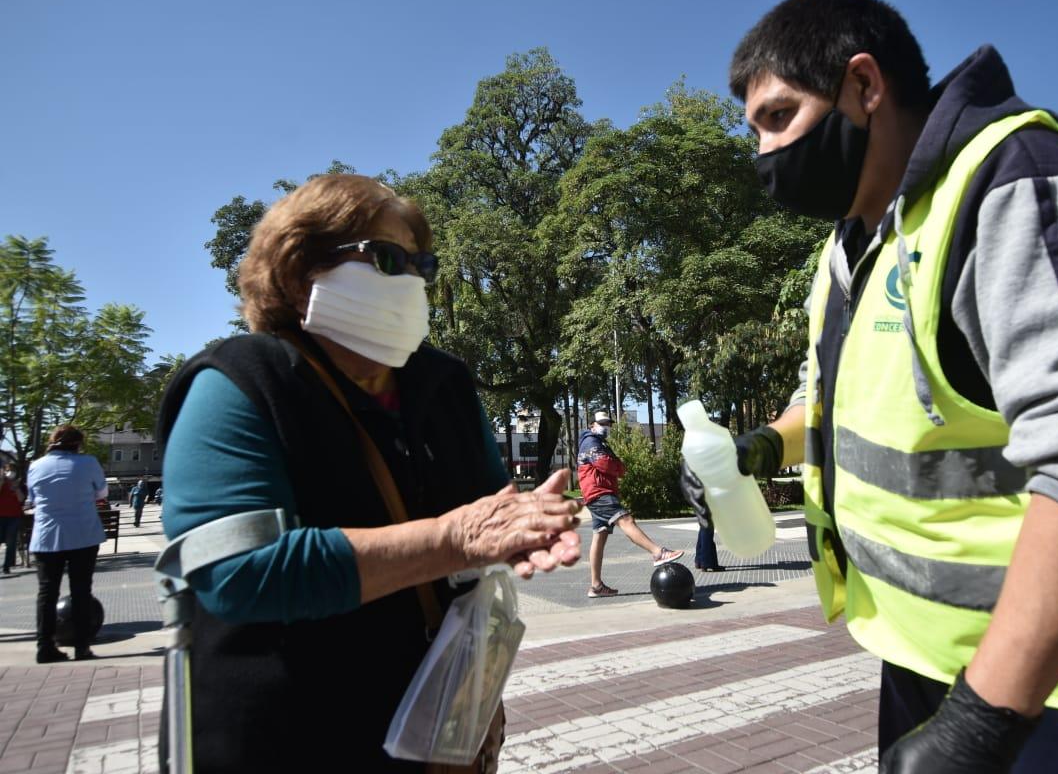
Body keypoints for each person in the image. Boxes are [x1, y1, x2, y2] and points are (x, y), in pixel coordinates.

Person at [682, 0, 1058, 772]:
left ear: (864, 86)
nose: (762, 153)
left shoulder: (1022, 185)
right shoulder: (857, 240)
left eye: (779, 117)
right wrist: (758, 448)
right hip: (939, 665)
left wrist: (983, 724)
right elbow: (833, 402)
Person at [157, 174, 582, 773]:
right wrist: (455, 539)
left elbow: (488, 517)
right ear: (301, 269)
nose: (410, 280)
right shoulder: (240, 381)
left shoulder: (445, 386)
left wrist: (523, 530)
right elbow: (235, 572)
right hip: (282, 743)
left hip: (428, 736)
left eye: (421, 265)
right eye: (386, 259)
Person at [25, 425, 107, 663]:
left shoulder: (36, 466)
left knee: (47, 593)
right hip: (83, 534)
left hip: (47, 536)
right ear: (78, 444)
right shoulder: (89, 463)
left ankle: (44, 645)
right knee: (81, 591)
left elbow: (32, 498)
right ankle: (82, 646)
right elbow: (101, 493)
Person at [578, 411, 683, 597]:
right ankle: (658, 552)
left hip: (596, 493)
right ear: (592, 425)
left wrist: (617, 465)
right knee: (626, 519)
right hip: (599, 492)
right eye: (602, 423)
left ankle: (596, 586)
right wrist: (620, 466)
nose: (606, 427)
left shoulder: (597, 442)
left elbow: (609, 464)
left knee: (599, 536)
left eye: (608, 424)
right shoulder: (591, 442)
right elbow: (605, 464)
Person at [0, 462, 26, 574]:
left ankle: (7, 565)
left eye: (12, 470)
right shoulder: (2, 482)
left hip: (14, 516)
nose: (9, 472)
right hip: (1, 515)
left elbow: (21, 499)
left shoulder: (20, 484)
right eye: (7, 470)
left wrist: (16, 489)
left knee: (11, 542)